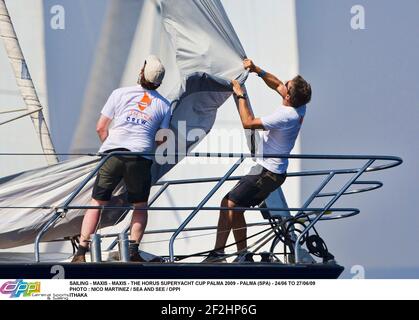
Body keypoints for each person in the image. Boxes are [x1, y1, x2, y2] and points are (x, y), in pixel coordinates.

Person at [204, 58, 312, 263]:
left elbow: (248, 122)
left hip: (267, 172)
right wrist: (257, 70)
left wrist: (240, 93)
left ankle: (218, 254)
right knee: (235, 207)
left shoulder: (286, 116)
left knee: (227, 204)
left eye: (286, 87)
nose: (283, 85)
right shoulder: (300, 106)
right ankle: (243, 255)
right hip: (269, 170)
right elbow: (278, 83)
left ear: (289, 97)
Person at [72, 55, 171, 263]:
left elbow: (101, 128)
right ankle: (133, 251)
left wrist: (110, 146)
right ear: (159, 82)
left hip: (113, 153)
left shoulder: (120, 93)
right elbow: (161, 139)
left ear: (141, 72)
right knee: (140, 206)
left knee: (97, 202)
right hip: (140, 157)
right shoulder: (165, 105)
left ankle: (81, 251)